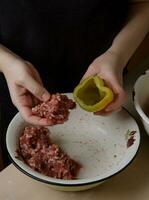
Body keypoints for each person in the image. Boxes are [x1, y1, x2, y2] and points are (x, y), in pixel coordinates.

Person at [0, 0, 149, 165]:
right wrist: (6, 63)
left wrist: (117, 55)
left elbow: (142, 4)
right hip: (20, 89)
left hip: (108, 79)